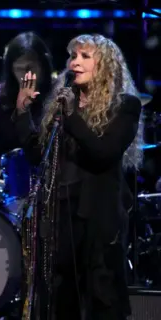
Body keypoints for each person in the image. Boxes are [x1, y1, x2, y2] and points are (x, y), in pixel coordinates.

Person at [14, 34, 144, 320]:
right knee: (63, 298)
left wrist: (71, 115)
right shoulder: (63, 105)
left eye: (85, 56)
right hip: (61, 213)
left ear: (106, 65)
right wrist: (23, 111)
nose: (75, 62)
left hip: (99, 217)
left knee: (102, 297)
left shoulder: (125, 105)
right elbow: (37, 156)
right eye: (73, 56)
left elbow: (103, 152)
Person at [0, 32, 53, 206]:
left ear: (43, 65)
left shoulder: (59, 95)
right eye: (19, 69)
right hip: (8, 190)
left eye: (31, 68)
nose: (25, 76)